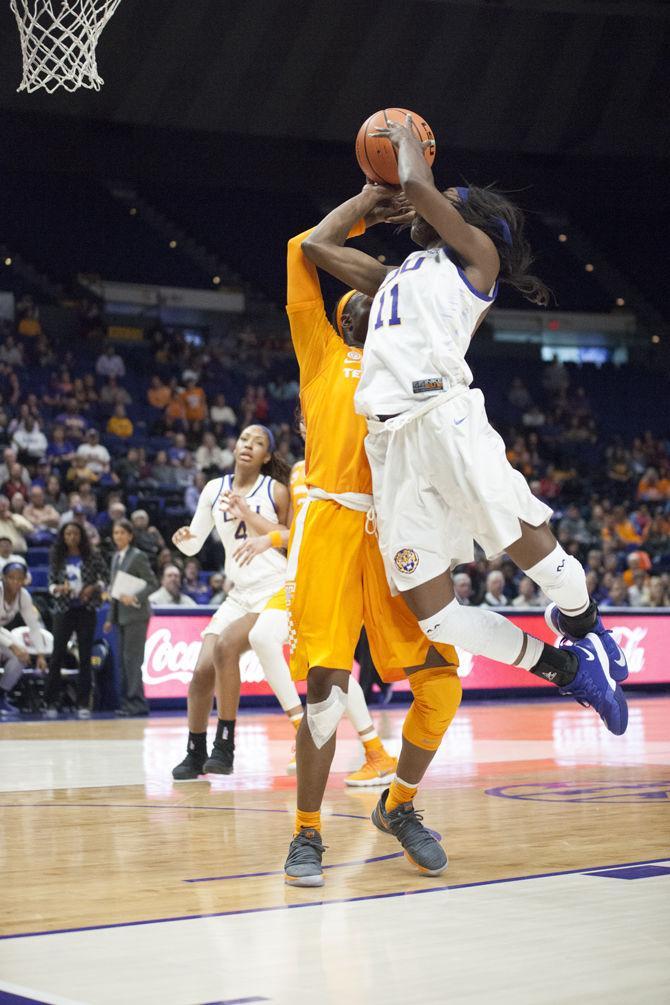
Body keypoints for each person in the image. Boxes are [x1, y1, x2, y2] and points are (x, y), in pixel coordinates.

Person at [305, 123, 629, 743]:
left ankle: (587, 625)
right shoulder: (397, 276)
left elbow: (420, 187)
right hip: (391, 447)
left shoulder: (479, 259)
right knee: (437, 619)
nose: (430, 201)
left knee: (528, 544)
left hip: (445, 420)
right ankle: (568, 670)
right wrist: (370, 201)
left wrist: (403, 141)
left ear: (473, 221)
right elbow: (319, 247)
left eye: (447, 199)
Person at [280, 200, 462, 888]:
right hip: (330, 527)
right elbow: (304, 245)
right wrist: (364, 203)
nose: (357, 298)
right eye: (349, 294)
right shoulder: (322, 354)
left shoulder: (414, 361)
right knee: (325, 690)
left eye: (372, 292)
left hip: (397, 532)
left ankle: (400, 804)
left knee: (442, 685)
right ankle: (306, 833)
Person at [232, 414, 398, 785]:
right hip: (298, 573)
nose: (310, 422)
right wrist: (267, 537)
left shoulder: (355, 462)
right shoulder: (298, 471)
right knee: (265, 638)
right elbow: (294, 530)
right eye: (305, 418)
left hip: (336, 573)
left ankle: (376, 752)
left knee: (330, 662)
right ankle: (304, 729)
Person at [170, 424, 301, 778]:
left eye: (258, 443)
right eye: (245, 439)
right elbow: (195, 543)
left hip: (274, 588)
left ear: (266, 456)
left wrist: (249, 515)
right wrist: (183, 539)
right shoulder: (214, 489)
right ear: (235, 446)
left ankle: (224, 745)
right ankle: (195, 752)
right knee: (199, 674)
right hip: (239, 594)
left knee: (226, 647)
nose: (248, 445)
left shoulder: (275, 489)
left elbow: (293, 536)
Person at [44, 523, 108, 718]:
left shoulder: (92, 555)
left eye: (75, 533)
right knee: (57, 655)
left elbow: (106, 577)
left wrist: (93, 587)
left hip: (86, 610)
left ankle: (83, 703)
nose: (72, 536)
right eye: (68, 533)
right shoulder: (57, 556)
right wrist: (58, 589)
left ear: (81, 536)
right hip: (63, 610)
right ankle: (51, 702)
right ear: (63, 536)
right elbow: (50, 584)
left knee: (85, 656)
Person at [103, 519, 158, 716]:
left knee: (133, 660)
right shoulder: (115, 557)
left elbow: (152, 583)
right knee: (124, 662)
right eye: (115, 533)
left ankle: (137, 703)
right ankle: (129, 702)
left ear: (130, 535)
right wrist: (110, 618)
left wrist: (135, 597)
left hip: (136, 615)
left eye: (122, 533)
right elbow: (115, 592)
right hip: (121, 617)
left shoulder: (137, 556)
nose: (118, 536)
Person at [0, 560, 48, 717]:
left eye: (19, 578)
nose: (15, 582)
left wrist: (40, 654)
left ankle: (1, 696)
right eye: (11, 577)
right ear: (3, 578)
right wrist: (13, 646)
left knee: (21, 656)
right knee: (16, 649)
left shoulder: (24, 596)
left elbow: (34, 626)